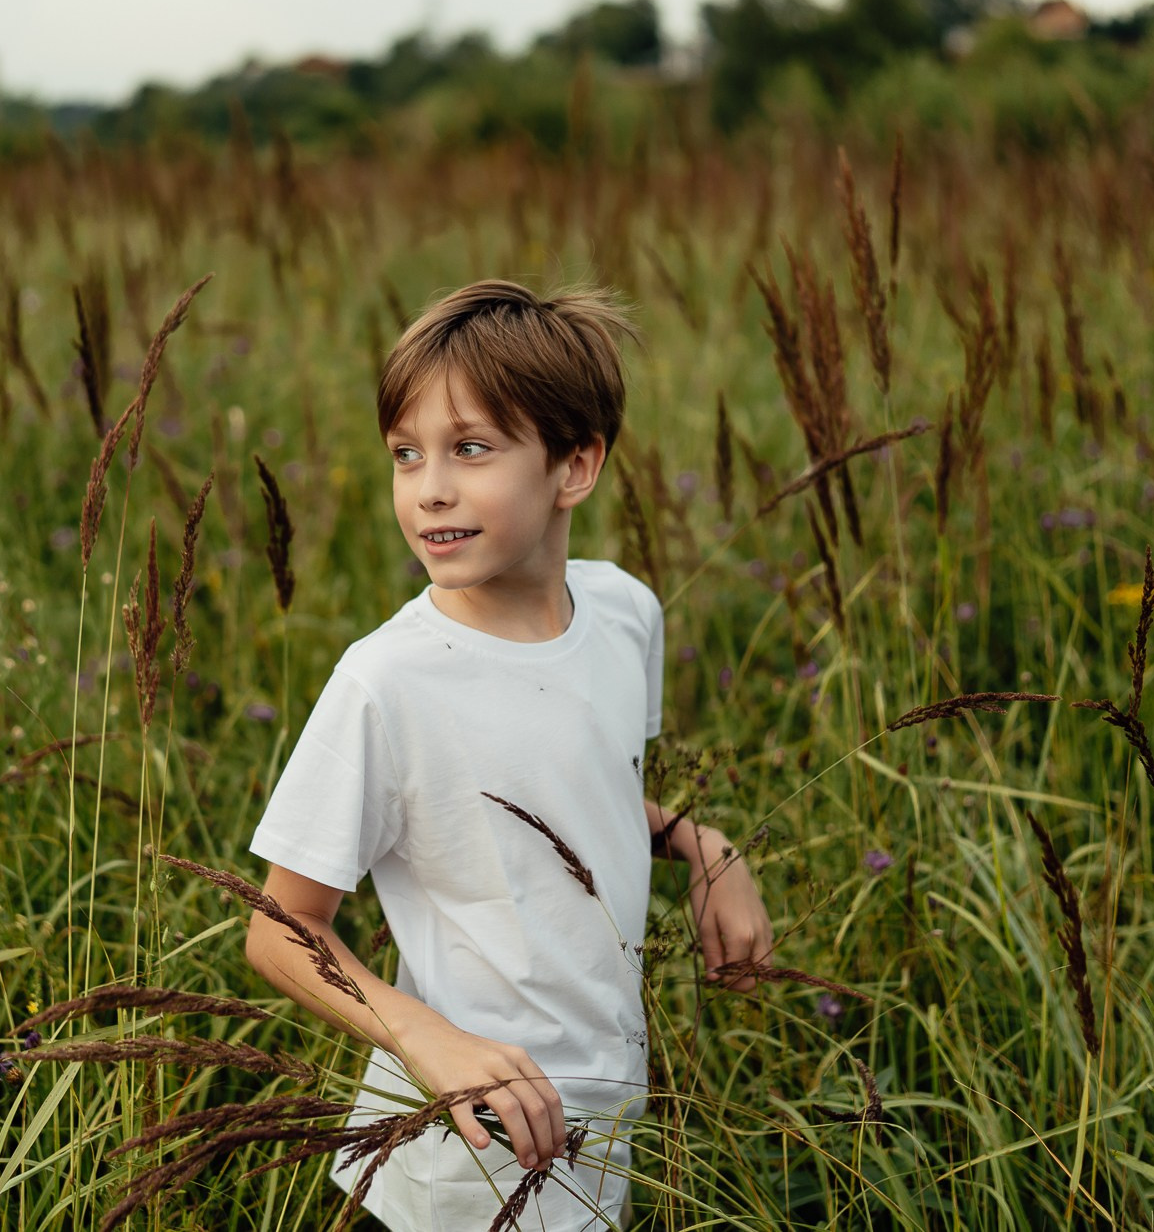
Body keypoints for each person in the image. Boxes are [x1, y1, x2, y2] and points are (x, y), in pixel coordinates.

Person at [245, 279, 776, 1230]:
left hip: (605, 1127)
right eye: (406, 454)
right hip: (463, 1156)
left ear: (575, 466)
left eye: (472, 449)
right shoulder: (387, 682)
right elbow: (279, 926)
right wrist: (426, 1040)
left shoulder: (623, 612)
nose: (430, 487)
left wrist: (701, 843)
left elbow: (587, 801)